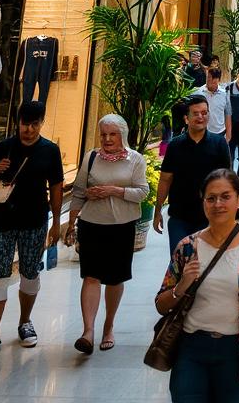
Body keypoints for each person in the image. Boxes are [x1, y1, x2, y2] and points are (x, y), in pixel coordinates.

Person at [156, 169, 239, 401]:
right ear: (204, 202)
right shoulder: (188, 247)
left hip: (237, 351)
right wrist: (182, 285)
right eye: (211, 198)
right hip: (191, 348)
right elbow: (161, 304)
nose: (218, 204)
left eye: (225, 196)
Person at [65, 114, 148, 354]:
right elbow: (79, 191)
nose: (107, 139)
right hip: (92, 224)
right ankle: (88, 332)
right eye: (103, 134)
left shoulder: (135, 160)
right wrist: (72, 221)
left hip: (122, 226)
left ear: (122, 135)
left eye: (112, 134)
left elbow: (142, 192)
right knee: (91, 276)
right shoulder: (91, 157)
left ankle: (108, 326)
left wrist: (114, 191)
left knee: (114, 278)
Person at [0, 100, 63, 360]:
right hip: (0, 220)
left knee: (30, 271)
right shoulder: (3, 147)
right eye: (23, 123)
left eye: (33, 124)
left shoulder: (50, 151)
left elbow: (56, 186)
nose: (27, 129)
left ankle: (25, 321)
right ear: (17, 122)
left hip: (34, 220)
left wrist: (56, 223)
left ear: (41, 123)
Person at [154, 95, 232, 252]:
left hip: (210, 216)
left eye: (204, 113)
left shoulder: (219, 144)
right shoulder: (175, 145)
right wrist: (158, 210)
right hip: (179, 217)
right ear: (186, 119)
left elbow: (227, 181)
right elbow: (165, 180)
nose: (200, 117)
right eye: (195, 113)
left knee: (204, 268)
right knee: (179, 265)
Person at [201, 67, 232, 141]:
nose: (210, 84)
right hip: (203, 132)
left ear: (218, 81)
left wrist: (228, 134)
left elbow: (228, 114)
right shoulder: (199, 92)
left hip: (220, 133)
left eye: (213, 82)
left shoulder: (224, 94)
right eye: (208, 80)